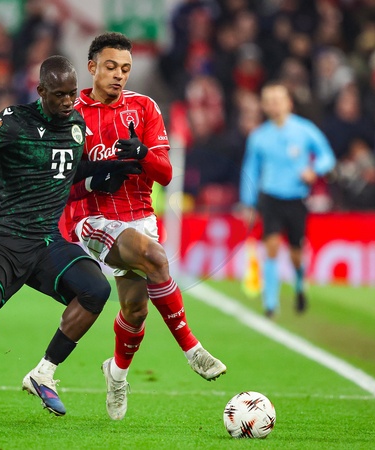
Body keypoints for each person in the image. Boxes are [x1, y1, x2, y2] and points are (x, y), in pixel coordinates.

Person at [0, 55, 139, 423]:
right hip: (2, 240)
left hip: (46, 241)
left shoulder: (75, 125)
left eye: (72, 93)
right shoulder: (13, 121)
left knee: (96, 290)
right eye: (60, 95)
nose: (68, 102)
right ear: (41, 91)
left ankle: (43, 373)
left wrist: (114, 166)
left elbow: (71, 169)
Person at [67, 32, 226, 421]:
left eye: (125, 68)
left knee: (136, 310)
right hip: (93, 218)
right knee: (156, 258)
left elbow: (166, 174)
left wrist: (142, 154)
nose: (118, 75)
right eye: (110, 67)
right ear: (92, 67)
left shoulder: (144, 107)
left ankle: (116, 374)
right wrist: (95, 178)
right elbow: (63, 182)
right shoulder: (72, 114)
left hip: (139, 216)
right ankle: (192, 349)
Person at [239, 81, 336, 317]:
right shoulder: (259, 137)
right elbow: (250, 170)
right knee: (270, 246)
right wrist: (248, 201)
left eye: (278, 100)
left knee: (296, 253)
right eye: (269, 101)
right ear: (264, 106)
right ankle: (271, 303)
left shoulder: (304, 130)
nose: (274, 105)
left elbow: (327, 156)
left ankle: (300, 286)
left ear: (288, 103)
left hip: (296, 198)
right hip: (270, 197)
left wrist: (314, 170)